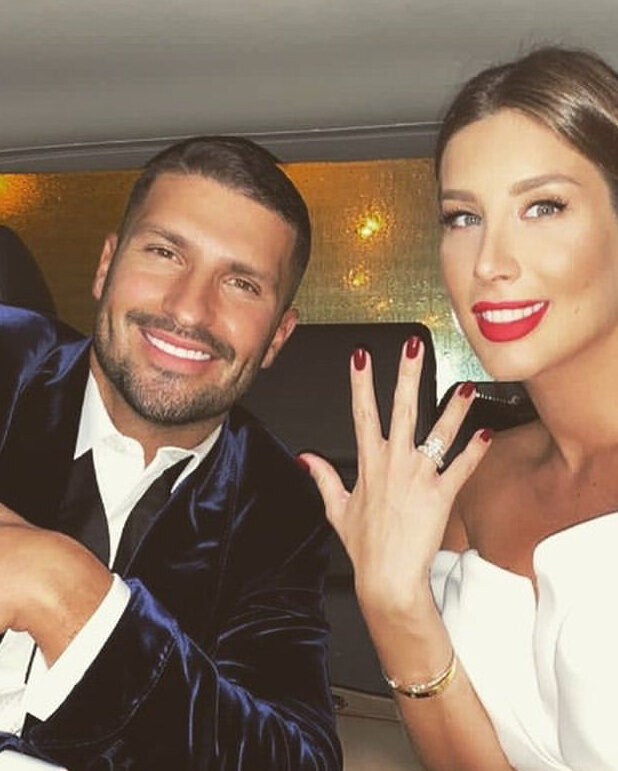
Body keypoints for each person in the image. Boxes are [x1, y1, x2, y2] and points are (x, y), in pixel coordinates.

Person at [303, 47, 618, 771]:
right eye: (463, 217)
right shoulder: (469, 482)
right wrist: (392, 600)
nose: (489, 261)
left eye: (543, 207)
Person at [0, 136, 342, 769]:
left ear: (277, 337)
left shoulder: (277, 503)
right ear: (106, 266)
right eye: (164, 253)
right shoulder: (7, 359)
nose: (189, 309)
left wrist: (65, 592)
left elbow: (296, 759)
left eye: (241, 283)